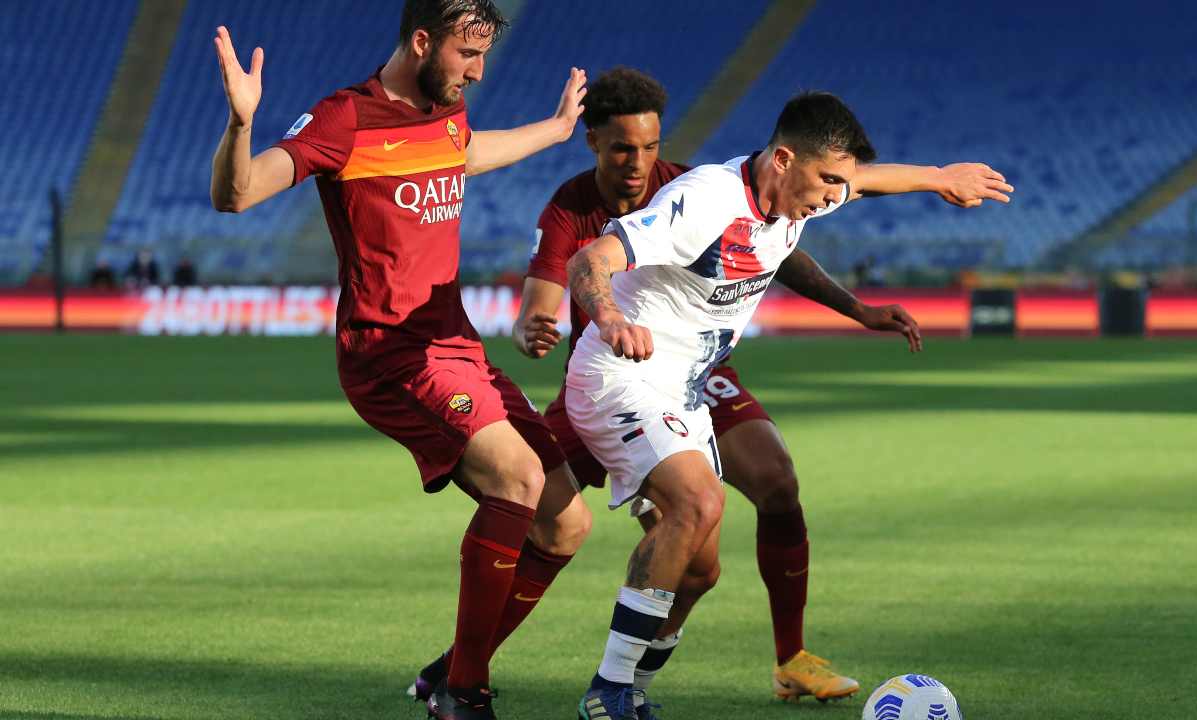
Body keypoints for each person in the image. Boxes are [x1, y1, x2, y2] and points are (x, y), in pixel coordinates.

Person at [512, 69, 1012, 716]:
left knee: (699, 569)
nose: (834, 197)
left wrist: (941, 177)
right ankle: (605, 694)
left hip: (686, 387)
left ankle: (632, 691)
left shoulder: (804, 189)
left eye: (840, 184)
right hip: (621, 372)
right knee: (698, 502)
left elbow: (863, 183)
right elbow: (591, 260)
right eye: (827, 182)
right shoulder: (706, 200)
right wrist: (610, 318)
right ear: (782, 160)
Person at [208, 3, 594, 718]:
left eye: (483, 57)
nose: (477, 73)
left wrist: (557, 129)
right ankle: (464, 696)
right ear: (422, 42)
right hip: (391, 355)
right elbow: (235, 195)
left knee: (565, 523)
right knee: (517, 476)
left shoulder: (446, 115)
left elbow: (470, 152)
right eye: (466, 56)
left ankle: (451, 669)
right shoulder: (344, 120)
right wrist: (241, 123)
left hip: (456, 345)